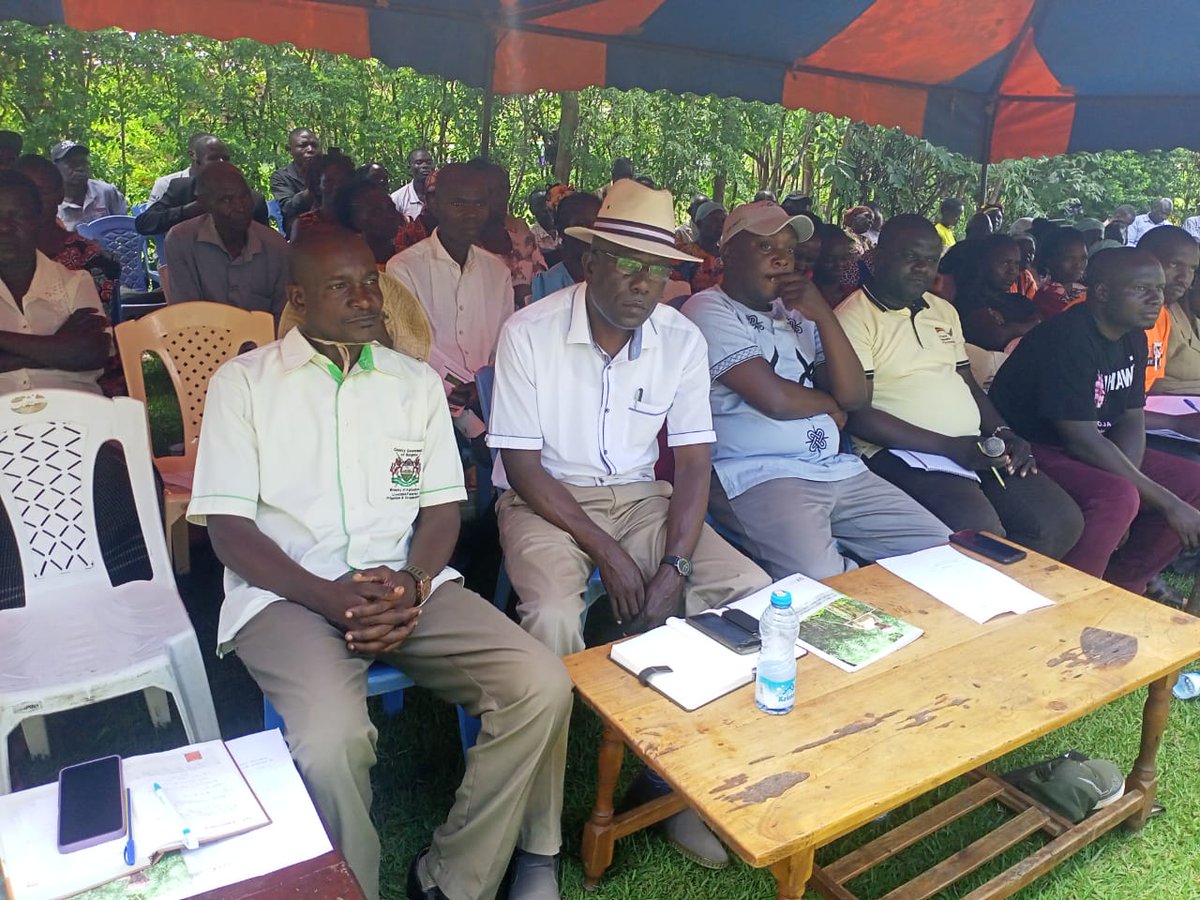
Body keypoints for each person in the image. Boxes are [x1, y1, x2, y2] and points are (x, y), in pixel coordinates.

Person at [188, 225, 570, 900]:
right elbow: (228, 530)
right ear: (299, 300)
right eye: (343, 286)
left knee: (539, 681)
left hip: (405, 585)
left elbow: (442, 510)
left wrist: (416, 581)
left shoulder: (412, 383)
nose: (367, 297)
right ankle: (350, 887)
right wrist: (325, 596)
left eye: (370, 281)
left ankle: (454, 877)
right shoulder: (243, 385)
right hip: (286, 596)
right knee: (332, 739)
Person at [487, 180, 770, 869]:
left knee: (747, 592)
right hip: (547, 500)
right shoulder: (530, 331)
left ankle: (676, 782)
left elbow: (695, 465)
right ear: (592, 262)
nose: (645, 283)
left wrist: (673, 566)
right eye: (628, 263)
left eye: (659, 268)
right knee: (553, 618)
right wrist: (611, 556)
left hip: (642, 497)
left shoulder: (680, 338)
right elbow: (522, 467)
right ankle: (540, 841)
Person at [683, 201, 950, 580]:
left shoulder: (798, 313)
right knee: (822, 580)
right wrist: (830, 405)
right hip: (759, 474)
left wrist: (823, 313)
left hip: (837, 470)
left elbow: (856, 397)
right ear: (728, 252)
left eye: (789, 250)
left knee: (941, 549)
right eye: (765, 247)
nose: (781, 260)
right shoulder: (707, 308)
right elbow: (774, 399)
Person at [835, 215, 1084, 559]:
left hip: (969, 447)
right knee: (980, 533)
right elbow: (858, 415)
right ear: (878, 256)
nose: (922, 268)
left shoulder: (943, 310)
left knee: (1059, 521)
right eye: (911, 257)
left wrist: (1003, 431)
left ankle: (1008, 601)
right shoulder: (852, 318)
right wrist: (951, 447)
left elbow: (967, 383)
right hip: (900, 452)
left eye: (931, 260)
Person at [988, 248, 1200, 603]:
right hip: (1034, 444)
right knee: (1117, 497)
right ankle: (1070, 601)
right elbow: (1080, 439)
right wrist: (1163, 501)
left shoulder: (1132, 333)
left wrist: (1141, 483)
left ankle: (1122, 589)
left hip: (1089, 440)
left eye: (1159, 289)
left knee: (1192, 482)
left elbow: (1131, 417)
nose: (1157, 299)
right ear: (1102, 292)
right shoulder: (1068, 338)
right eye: (1142, 289)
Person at [386, 161, 511, 438]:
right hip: (425, 409)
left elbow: (504, 345)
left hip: (489, 404)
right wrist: (467, 404)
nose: (471, 214)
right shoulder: (404, 268)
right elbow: (412, 348)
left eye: (479, 204)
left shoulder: (498, 271)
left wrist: (484, 386)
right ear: (434, 204)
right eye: (458, 204)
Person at [0, 170, 111, 394]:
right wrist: (57, 345)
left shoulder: (75, 282)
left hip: (76, 415)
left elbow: (91, 353)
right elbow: (74, 354)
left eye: (17, 216)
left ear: (37, 220)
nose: (4, 228)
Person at [163, 162, 289, 314]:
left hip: (267, 338)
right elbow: (187, 315)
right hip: (202, 336)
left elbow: (283, 319)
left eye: (244, 196)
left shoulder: (275, 246)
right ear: (204, 203)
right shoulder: (181, 241)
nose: (240, 207)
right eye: (226, 200)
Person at [15, 154, 122, 313]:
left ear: (60, 195)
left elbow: (88, 331)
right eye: (21, 193)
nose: (31, 201)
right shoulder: (7, 254)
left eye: (41, 192)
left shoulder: (92, 260)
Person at [1137, 226, 1200, 441]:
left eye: (1192, 269)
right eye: (1174, 265)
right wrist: (1176, 423)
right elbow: (1104, 411)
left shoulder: (1162, 315)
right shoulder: (1115, 318)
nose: (1185, 278)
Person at [135, 135, 269, 236]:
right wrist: (188, 211)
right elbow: (144, 223)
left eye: (226, 158)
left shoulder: (252, 199)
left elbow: (267, 242)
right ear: (196, 160)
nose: (222, 163)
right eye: (213, 158)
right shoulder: (181, 189)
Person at [954, 234, 1041, 351]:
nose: (1013, 271)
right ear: (984, 262)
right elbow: (996, 337)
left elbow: (1040, 322)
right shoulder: (968, 298)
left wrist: (1010, 328)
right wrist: (1030, 325)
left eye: (1016, 264)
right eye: (1005, 263)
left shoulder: (1018, 300)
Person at [478, 161, 546, 308]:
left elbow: (542, 280)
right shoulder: (463, 241)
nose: (500, 196)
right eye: (489, 190)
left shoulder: (520, 230)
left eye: (503, 188)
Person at [530, 191, 601, 302]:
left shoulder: (614, 281)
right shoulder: (542, 287)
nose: (591, 232)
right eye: (581, 225)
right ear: (562, 230)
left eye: (597, 225)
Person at [51, 140, 127, 232]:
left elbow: (125, 228)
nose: (80, 168)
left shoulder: (106, 192)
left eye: (83, 162)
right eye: (72, 164)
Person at [289, 152, 356, 239]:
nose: (337, 186)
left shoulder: (358, 220)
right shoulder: (305, 224)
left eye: (342, 181)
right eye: (329, 181)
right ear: (317, 186)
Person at [269, 127, 321, 235]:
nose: (310, 149)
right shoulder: (282, 176)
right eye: (303, 145)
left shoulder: (328, 172)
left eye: (314, 145)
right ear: (290, 149)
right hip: (300, 234)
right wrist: (312, 190)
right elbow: (287, 208)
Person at [1032, 227, 1088, 319]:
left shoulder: (1085, 291)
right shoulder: (1046, 297)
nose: (1078, 265)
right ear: (1050, 260)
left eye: (1083, 259)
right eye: (1070, 259)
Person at [148, 132, 215, 205]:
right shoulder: (165, 184)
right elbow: (150, 215)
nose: (220, 161)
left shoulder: (225, 185)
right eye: (212, 156)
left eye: (224, 157)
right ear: (192, 154)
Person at [675, 200, 725, 293]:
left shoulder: (726, 257)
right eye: (714, 220)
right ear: (699, 223)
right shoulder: (685, 253)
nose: (720, 225)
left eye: (723, 221)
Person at [812, 223, 854, 307]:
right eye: (829, 259)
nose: (839, 264)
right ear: (816, 258)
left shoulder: (852, 296)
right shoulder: (805, 295)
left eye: (844, 258)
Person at [390, 148, 434, 220]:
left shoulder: (444, 195)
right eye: (419, 163)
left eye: (429, 163)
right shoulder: (397, 198)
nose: (425, 166)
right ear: (409, 168)